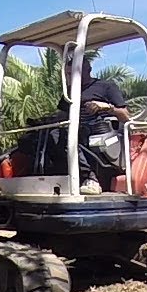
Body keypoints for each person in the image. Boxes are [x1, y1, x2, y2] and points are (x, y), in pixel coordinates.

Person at [57, 54, 133, 195]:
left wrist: (106, 107)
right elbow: (61, 115)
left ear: (88, 70)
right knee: (50, 135)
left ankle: (91, 178)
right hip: (77, 127)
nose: (71, 76)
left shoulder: (106, 87)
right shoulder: (69, 92)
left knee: (73, 135)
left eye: (74, 72)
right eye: (68, 73)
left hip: (102, 130)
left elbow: (126, 116)